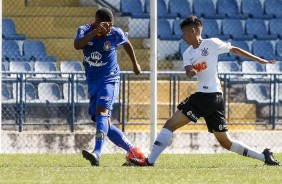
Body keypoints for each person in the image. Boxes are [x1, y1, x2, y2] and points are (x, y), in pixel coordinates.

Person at [130, 16, 280, 166]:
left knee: (170, 124)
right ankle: (263, 157)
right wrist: (191, 72)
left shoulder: (211, 44)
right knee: (226, 142)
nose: (182, 36)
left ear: (193, 31)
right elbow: (188, 70)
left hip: (207, 96)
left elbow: (234, 49)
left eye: (184, 32)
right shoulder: (187, 53)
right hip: (214, 98)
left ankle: (149, 161)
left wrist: (259, 60)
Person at [74, 7, 144, 166]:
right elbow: (77, 45)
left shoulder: (115, 32)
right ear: (97, 23)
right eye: (105, 25)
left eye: (111, 25)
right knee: (105, 123)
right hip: (92, 82)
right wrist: (95, 32)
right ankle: (134, 151)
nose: (109, 29)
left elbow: (126, 44)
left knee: (102, 112)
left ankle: (97, 153)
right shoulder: (84, 30)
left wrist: (135, 63)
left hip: (109, 78)